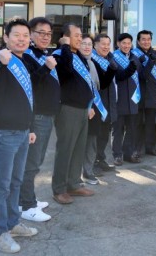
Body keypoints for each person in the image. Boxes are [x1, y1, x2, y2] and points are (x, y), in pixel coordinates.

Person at [0, 18, 39, 253]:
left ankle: (12, 224)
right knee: (1, 186)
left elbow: (27, 99)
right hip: (3, 134)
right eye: (17, 35)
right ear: (6, 38)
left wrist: (30, 128)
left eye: (25, 35)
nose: (22, 39)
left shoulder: (22, 61)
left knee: (15, 183)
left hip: (22, 133)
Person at [19, 17, 59, 222]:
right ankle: (26, 205)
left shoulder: (42, 54)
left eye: (48, 33)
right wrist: (47, 68)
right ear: (31, 33)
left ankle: (26, 199)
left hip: (47, 114)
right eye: (40, 32)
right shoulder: (26, 56)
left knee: (37, 160)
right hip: (37, 116)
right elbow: (31, 83)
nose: (45, 36)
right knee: (32, 162)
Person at [51, 23, 95, 204]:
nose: (80, 38)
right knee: (66, 149)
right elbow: (67, 73)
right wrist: (64, 46)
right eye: (76, 35)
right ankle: (59, 189)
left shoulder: (78, 56)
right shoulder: (59, 55)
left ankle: (74, 184)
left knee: (78, 149)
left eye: (80, 35)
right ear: (66, 37)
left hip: (83, 109)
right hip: (68, 109)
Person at [79, 35, 115, 185]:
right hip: (83, 107)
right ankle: (84, 171)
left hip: (97, 107)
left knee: (96, 138)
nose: (87, 47)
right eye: (84, 44)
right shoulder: (78, 62)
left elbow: (104, 82)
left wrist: (112, 70)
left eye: (89, 44)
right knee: (84, 140)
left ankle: (90, 168)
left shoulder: (93, 63)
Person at [112, 32, 142, 164]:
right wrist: (130, 69)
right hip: (120, 99)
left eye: (129, 43)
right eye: (123, 43)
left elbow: (141, 75)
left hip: (133, 99)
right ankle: (117, 155)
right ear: (118, 44)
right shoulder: (113, 57)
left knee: (132, 128)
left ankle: (129, 153)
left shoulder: (135, 57)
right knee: (118, 129)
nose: (126, 45)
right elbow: (118, 76)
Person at [135, 30, 156, 157]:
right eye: (143, 39)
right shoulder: (134, 54)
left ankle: (150, 148)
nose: (146, 42)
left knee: (150, 124)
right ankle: (136, 149)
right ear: (138, 41)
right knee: (136, 124)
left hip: (152, 93)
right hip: (138, 94)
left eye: (148, 39)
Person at [93, 34, 119, 173]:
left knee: (104, 134)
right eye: (103, 44)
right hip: (98, 104)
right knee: (94, 136)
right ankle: (92, 164)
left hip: (109, 103)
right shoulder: (91, 59)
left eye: (108, 44)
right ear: (95, 45)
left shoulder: (110, 59)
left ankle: (101, 159)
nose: (106, 47)